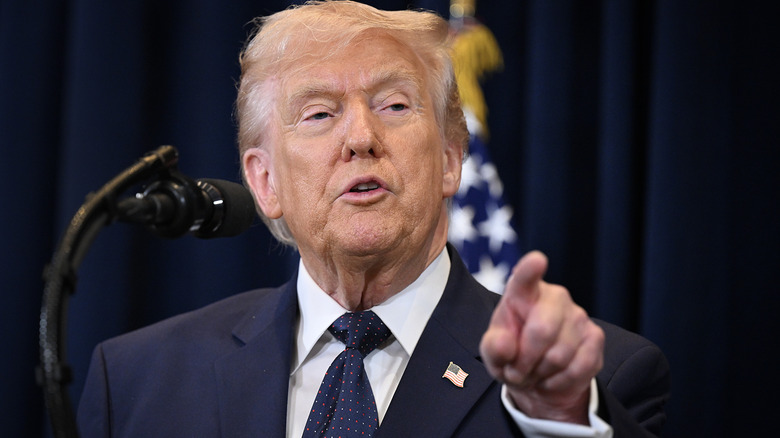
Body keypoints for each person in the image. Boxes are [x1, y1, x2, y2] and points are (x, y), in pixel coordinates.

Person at [77, 1, 669, 437]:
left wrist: (562, 418)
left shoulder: (589, 388)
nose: (361, 137)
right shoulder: (135, 383)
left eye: (393, 105)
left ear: (448, 160)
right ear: (264, 181)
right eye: (318, 113)